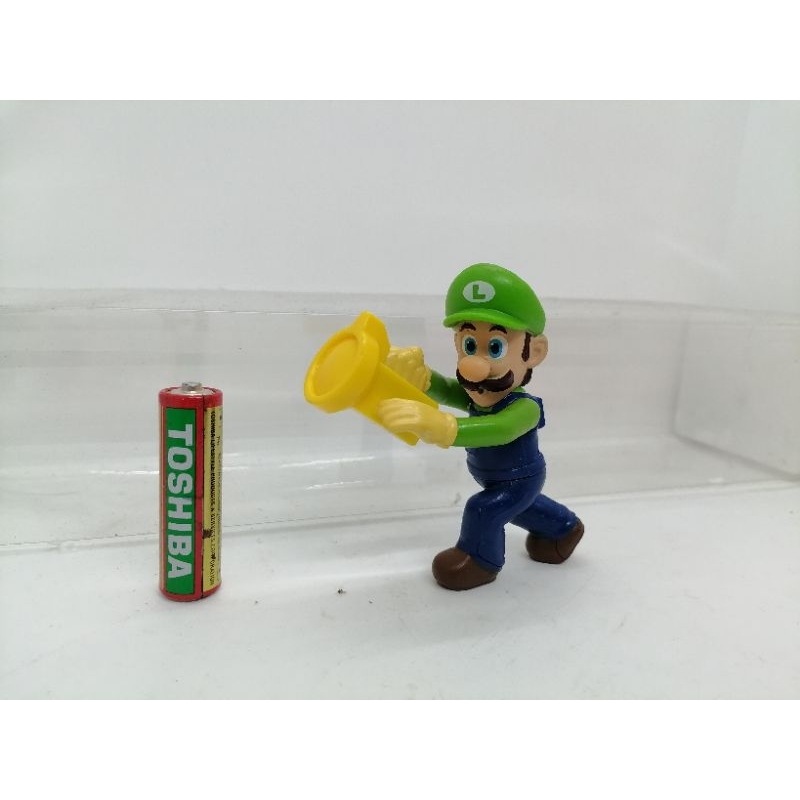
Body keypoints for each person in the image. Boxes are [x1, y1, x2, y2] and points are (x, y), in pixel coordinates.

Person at [378, 263, 584, 590]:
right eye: (469, 346)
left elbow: (499, 430)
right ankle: (563, 528)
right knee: (521, 510)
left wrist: (443, 427)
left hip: (520, 480)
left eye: (496, 348)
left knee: (485, 509)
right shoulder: (482, 395)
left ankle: (479, 562)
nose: (474, 366)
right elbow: (449, 390)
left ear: (534, 352)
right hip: (499, 479)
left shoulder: (525, 408)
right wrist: (422, 378)